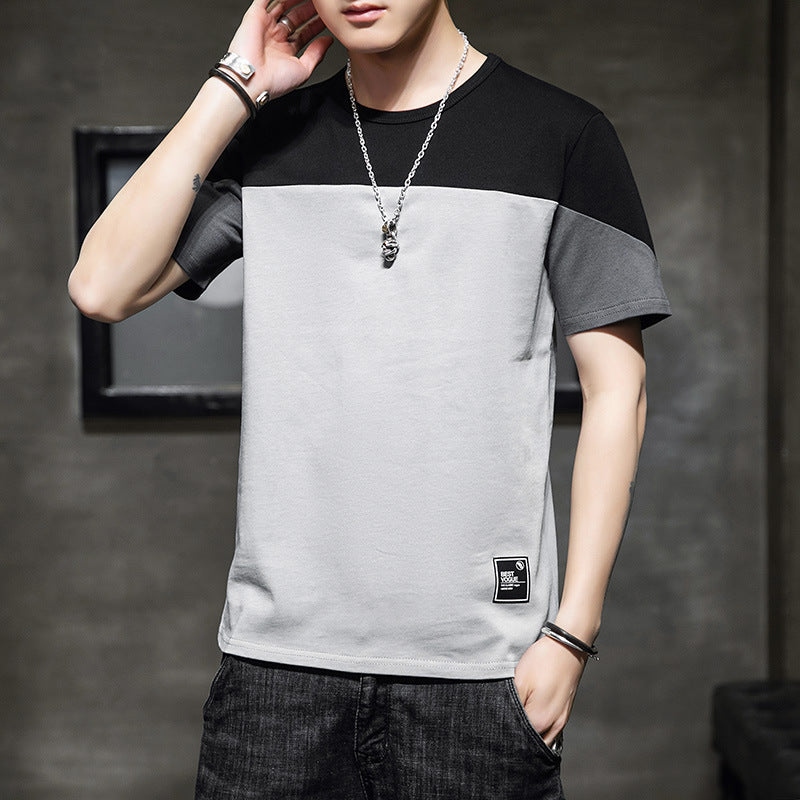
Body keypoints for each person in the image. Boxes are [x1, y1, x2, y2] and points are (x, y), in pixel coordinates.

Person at [68, 0, 672, 797]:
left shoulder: (562, 134)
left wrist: (572, 634)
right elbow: (103, 287)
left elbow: (618, 390)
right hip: (275, 681)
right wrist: (237, 82)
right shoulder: (271, 137)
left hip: (481, 677)